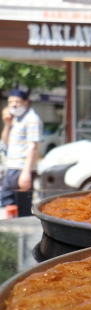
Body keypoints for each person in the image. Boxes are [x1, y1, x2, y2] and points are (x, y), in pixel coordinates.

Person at [1, 89, 42, 217]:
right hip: (12, 167)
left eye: (17, 101)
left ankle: (22, 233)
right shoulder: (14, 119)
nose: (13, 104)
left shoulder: (31, 119)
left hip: (21, 168)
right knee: (10, 202)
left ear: (26, 102)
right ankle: (13, 231)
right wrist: (7, 124)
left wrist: (26, 173)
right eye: (10, 102)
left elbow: (33, 146)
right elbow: (5, 142)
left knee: (21, 205)